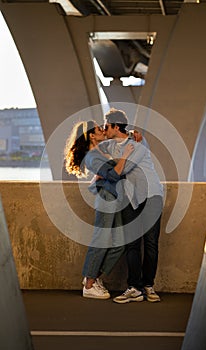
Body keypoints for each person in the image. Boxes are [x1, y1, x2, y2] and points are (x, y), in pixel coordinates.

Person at [98, 108, 164, 303]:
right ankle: (134, 287)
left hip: (152, 195)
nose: (104, 129)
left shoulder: (138, 143)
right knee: (131, 244)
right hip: (131, 198)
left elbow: (122, 170)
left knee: (151, 244)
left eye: (106, 126)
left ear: (116, 126)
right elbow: (94, 144)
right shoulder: (111, 144)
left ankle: (148, 285)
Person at [64, 120, 134, 299]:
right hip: (106, 201)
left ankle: (93, 277)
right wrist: (125, 156)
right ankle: (89, 284)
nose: (103, 130)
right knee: (100, 241)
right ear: (92, 136)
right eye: (98, 129)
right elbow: (113, 174)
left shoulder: (102, 151)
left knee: (119, 244)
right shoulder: (92, 156)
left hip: (115, 199)